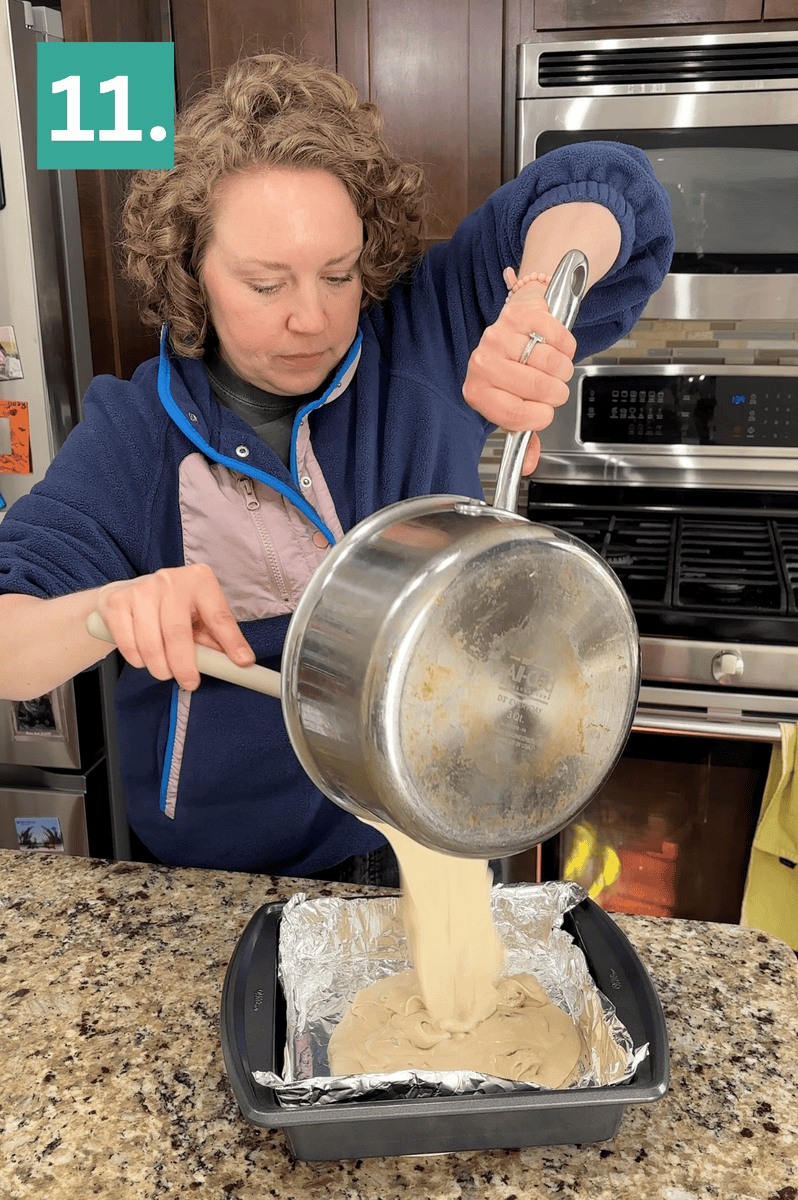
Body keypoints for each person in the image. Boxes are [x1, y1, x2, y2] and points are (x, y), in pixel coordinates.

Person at [0, 54, 673, 882]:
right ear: (191, 273)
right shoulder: (136, 433)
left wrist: (535, 297)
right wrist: (106, 609)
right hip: (228, 880)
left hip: (438, 835)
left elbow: (607, 182)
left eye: (339, 273)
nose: (312, 318)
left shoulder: (430, 331)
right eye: (265, 284)